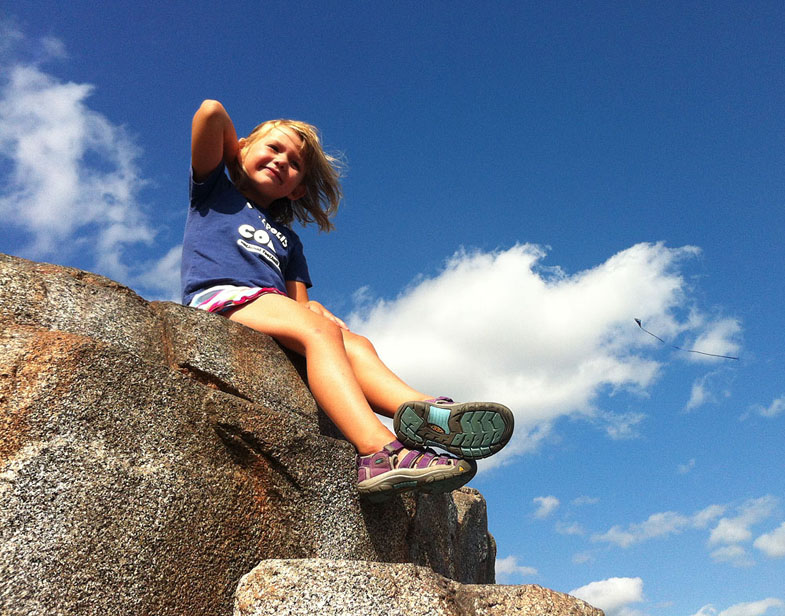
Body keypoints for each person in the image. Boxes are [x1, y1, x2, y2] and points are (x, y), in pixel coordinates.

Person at [181, 100, 514, 501]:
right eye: (273, 148)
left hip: (270, 306)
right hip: (223, 297)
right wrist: (235, 153)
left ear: (297, 189)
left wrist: (313, 310)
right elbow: (210, 112)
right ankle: (377, 450)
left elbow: (298, 303)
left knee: (355, 342)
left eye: (294, 163)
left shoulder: (290, 241)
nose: (281, 161)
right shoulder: (215, 192)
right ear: (241, 149)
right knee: (320, 331)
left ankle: (426, 411)